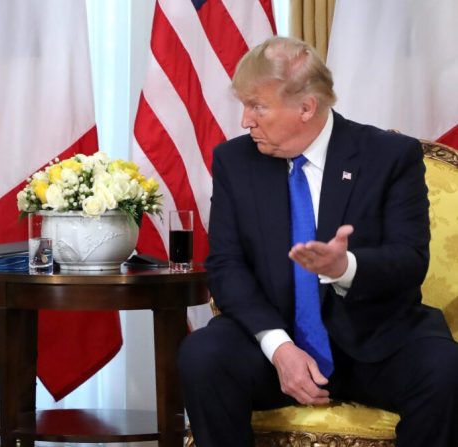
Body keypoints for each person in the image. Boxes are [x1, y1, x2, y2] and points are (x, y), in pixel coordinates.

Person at [178, 36, 458, 446]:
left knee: (445, 369)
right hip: (276, 342)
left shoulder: (389, 156)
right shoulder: (235, 162)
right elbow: (225, 265)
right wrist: (279, 348)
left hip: (376, 340)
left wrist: (343, 268)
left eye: (257, 106)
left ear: (306, 107)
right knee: (203, 356)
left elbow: (410, 258)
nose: (245, 121)